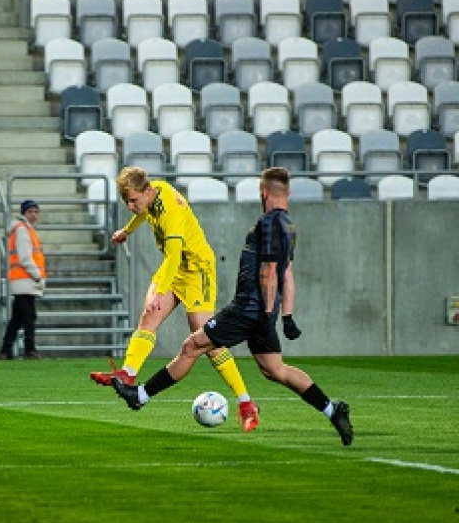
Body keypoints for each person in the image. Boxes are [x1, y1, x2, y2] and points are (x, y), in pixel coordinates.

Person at [112, 167, 354, 447]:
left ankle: (140, 396)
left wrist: (255, 310)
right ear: (287, 193)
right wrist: (285, 315)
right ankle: (331, 409)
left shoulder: (266, 225)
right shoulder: (289, 227)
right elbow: (287, 273)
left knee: (192, 347)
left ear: (264, 193)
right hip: (265, 312)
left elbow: (271, 271)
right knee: (276, 370)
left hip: (247, 309)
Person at [90, 167, 261, 433]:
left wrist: (161, 291)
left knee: (207, 340)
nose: (131, 206)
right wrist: (127, 230)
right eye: (127, 202)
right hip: (176, 267)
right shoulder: (152, 191)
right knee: (149, 316)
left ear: (147, 192)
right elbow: (144, 213)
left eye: (133, 200)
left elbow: (173, 255)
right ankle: (128, 374)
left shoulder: (171, 210)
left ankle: (246, 403)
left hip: (196, 270)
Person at [0, 199, 46, 360]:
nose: (34, 214)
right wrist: (37, 275)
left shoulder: (23, 229)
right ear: (24, 213)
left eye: (35, 211)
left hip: (21, 280)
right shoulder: (23, 230)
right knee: (29, 317)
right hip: (25, 279)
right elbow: (25, 257)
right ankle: (30, 349)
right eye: (30, 211)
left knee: (18, 318)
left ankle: (5, 350)